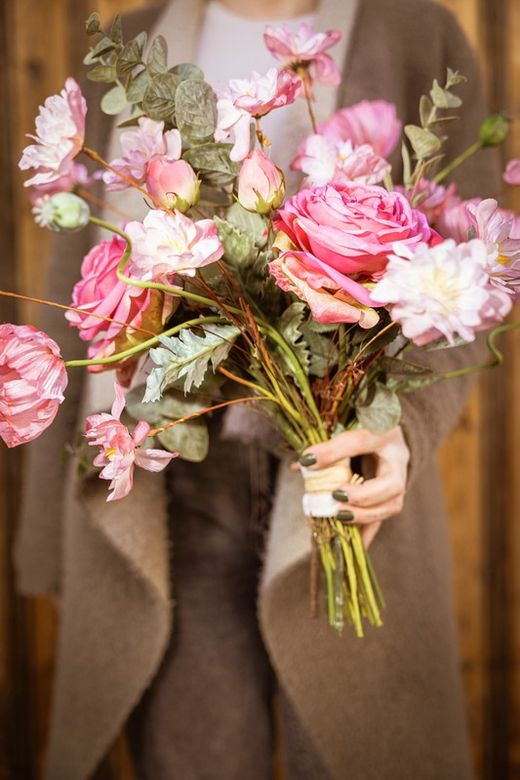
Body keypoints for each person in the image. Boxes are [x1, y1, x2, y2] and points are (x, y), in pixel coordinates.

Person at [15, 0, 500, 778]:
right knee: (190, 755)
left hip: (344, 481)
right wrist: (51, 538)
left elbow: (480, 263)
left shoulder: (416, 31)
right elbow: (76, 289)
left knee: (358, 749)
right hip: (167, 489)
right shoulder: (130, 45)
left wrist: (401, 427)